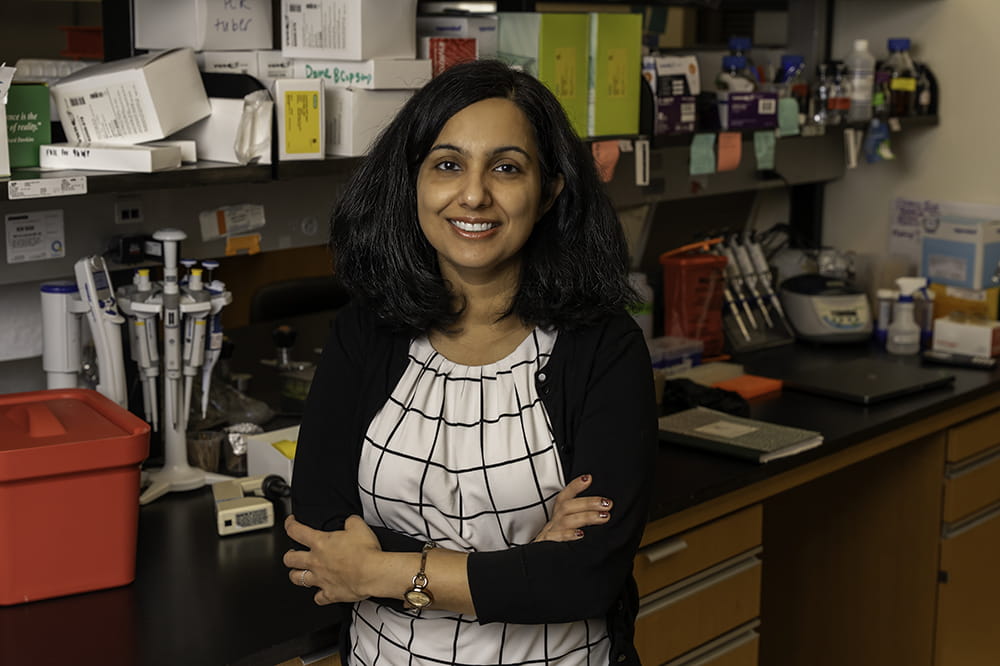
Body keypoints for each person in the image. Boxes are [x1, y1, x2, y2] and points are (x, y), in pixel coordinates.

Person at [283, 59, 658, 665]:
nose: (475, 193)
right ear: (413, 182)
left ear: (550, 192)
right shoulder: (367, 330)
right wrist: (524, 559)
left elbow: (586, 576)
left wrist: (377, 569)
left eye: (507, 168)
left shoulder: (602, 347)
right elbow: (320, 524)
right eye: (448, 164)